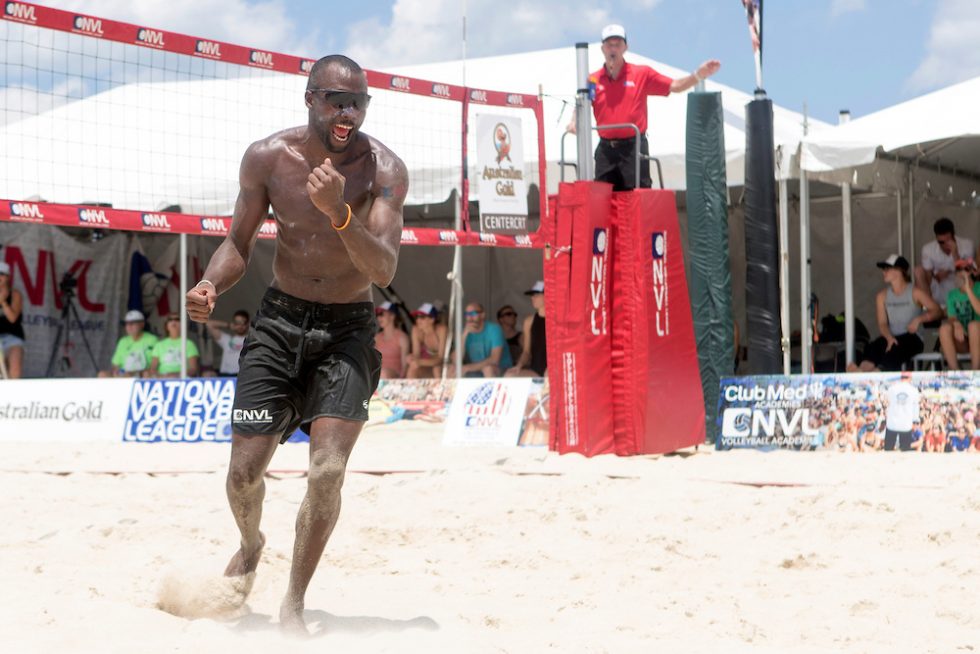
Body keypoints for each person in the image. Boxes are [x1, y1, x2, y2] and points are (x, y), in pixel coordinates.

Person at [184, 54, 407, 635]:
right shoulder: (267, 158)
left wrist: (339, 216)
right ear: (310, 99)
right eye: (337, 100)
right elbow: (237, 243)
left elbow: (383, 269)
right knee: (242, 476)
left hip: (349, 325)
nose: (348, 112)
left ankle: (294, 604)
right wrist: (210, 282)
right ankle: (252, 542)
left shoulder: (383, 168)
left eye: (358, 102)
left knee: (327, 471)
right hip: (280, 321)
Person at [567, 24, 720, 191]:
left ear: (625, 47)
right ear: (602, 48)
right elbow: (582, 103)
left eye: (617, 44)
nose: (613, 49)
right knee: (601, 199)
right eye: (609, 45)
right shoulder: (593, 80)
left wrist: (698, 75)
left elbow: (675, 85)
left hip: (634, 147)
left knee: (638, 199)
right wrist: (574, 121)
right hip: (605, 150)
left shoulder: (641, 73)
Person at [847, 255, 941, 372]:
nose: (883, 272)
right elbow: (882, 323)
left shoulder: (915, 292)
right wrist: (888, 337)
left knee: (896, 349)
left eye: (887, 269)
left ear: (899, 271)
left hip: (913, 338)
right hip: (891, 336)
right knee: (875, 345)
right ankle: (862, 371)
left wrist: (919, 319)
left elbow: (937, 310)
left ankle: (876, 374)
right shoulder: (882, 296)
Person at [915, 217, 975, 306]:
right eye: (941, 242)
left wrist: (955, 253)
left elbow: (970, 272)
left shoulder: (967, 245)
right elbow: (928, 276)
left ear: (953, 235)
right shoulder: (928, 249)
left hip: (959, 281)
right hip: (939, 284)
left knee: (963, 276)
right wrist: (936, 277)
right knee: (918, 270)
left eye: (948, 240)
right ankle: (929, 306)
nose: (945, 245)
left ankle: (962, 303)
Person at [937, 262, 980, 370]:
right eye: (957, 270)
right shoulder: (952, 294)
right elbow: (951, 317)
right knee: (944, 329)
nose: (960, 273)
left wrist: (968, 290)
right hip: (964, 340)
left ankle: (975, 372)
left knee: (973, 326)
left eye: (964, 269)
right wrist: (956, 323)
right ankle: (955, 373)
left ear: (972, 272)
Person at [99, 310, 159, 378]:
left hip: (143, 374)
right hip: (125, 374)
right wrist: (123, 372)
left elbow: (156, 364)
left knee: (146, 374)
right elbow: (115, 366)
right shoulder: (123, 341)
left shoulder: (152, 340)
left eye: (132, 323)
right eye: (126, 324)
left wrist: (135, 373)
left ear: (142, 324)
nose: (129, 326)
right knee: (102, 374)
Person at [506, 281, 547, 377]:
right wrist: (519, 365)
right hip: (535, 371)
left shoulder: (557, 321)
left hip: (554, 370)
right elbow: (526, 352)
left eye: (536, 295)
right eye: (532, 295)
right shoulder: (529, 321)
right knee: (509, 375)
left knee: (548, 377)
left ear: (547, 295)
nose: (532, 298)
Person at [461, 301, 512, 377]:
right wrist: (463, 336)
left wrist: (468, 367)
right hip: (476, 369)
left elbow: (494, 359)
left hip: (500, 368)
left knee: (488, 369)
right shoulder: (465, 331)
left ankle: (490, 389)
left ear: (483, 315)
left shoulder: (494, 329)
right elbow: (455, 360)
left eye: (473, 313)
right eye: (467, 314)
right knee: (451, 370)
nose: (469, 317)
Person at [149, 313, 200, 378]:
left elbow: (193, 369)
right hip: (162, 379)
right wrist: (162, 376)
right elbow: (152, 369)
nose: (173, 321)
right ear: (166, 326)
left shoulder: (189, 344)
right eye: (170, 320)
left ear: (182, 325)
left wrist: (176, 375)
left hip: (183, 378)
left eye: (177, 319)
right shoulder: (159, 345)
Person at [405, 302, 447, 378]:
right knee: (412, 368)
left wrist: (420, 362)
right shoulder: (416, 330)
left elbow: (441, 358)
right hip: (428, 363)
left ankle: (439, 390)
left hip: (446, 364)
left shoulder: (441, 330)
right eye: (417, 317)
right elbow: (416, 355)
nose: (418, 320)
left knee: (436, 369)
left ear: (432, 319)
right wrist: (411, 358)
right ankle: (410, 389)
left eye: (422, 317)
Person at [883, 371, 920, 451]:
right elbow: (915, 407)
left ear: (901, 378)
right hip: (906, 424)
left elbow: (887, 402)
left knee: (888, 449)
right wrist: (915, 422)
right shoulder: (913, 390)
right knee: (905, 450)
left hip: (892, 423)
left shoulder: (892, 388)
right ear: (910, 378)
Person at [206, 310, 250, 376]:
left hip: (243, 376)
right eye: (237, 323)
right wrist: (229, 325)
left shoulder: (252, 340)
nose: (240, 325)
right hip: (226, 375)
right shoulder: (227, 339)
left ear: (248, 323)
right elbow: (209, 324)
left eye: (243, 322)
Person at [0, 261, 25, 378]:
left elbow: (12, 318)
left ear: (8, 277)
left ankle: (14, 396)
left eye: (2, 274)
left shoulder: (15, 294)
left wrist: (3, 303)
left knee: (15, 367)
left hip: (12, 337)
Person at [374, 300, 409, 378]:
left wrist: (401, 382)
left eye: (382, 314)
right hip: (379, 375)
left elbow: (405, 365)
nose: (379, 317)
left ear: (392, 316)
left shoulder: (402, 337)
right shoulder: (377, 337)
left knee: (383, 373)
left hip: (395, 375)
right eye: (377, 315)